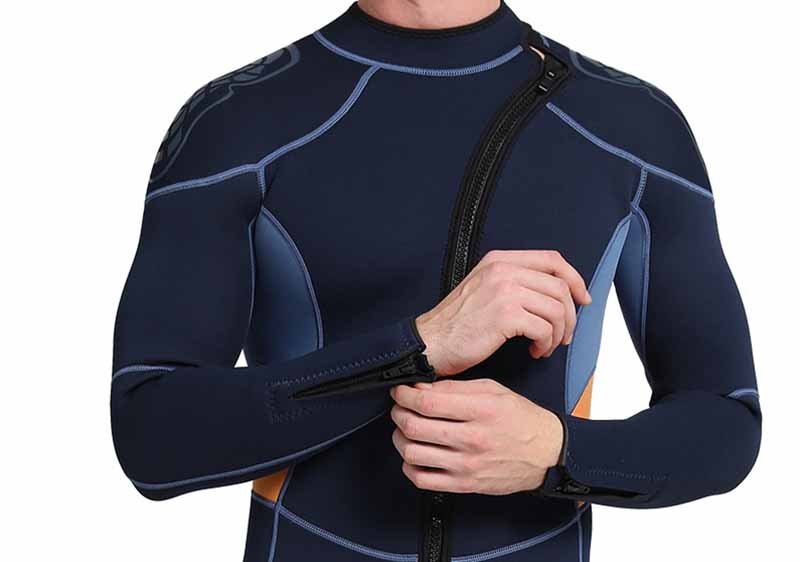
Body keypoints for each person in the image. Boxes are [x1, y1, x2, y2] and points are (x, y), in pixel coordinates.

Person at [110, 1, 761, 560]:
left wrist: (558, 452)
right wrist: (418, 346)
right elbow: (151, 433)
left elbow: (725, 424)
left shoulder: (631, 126)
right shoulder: (237, 120)